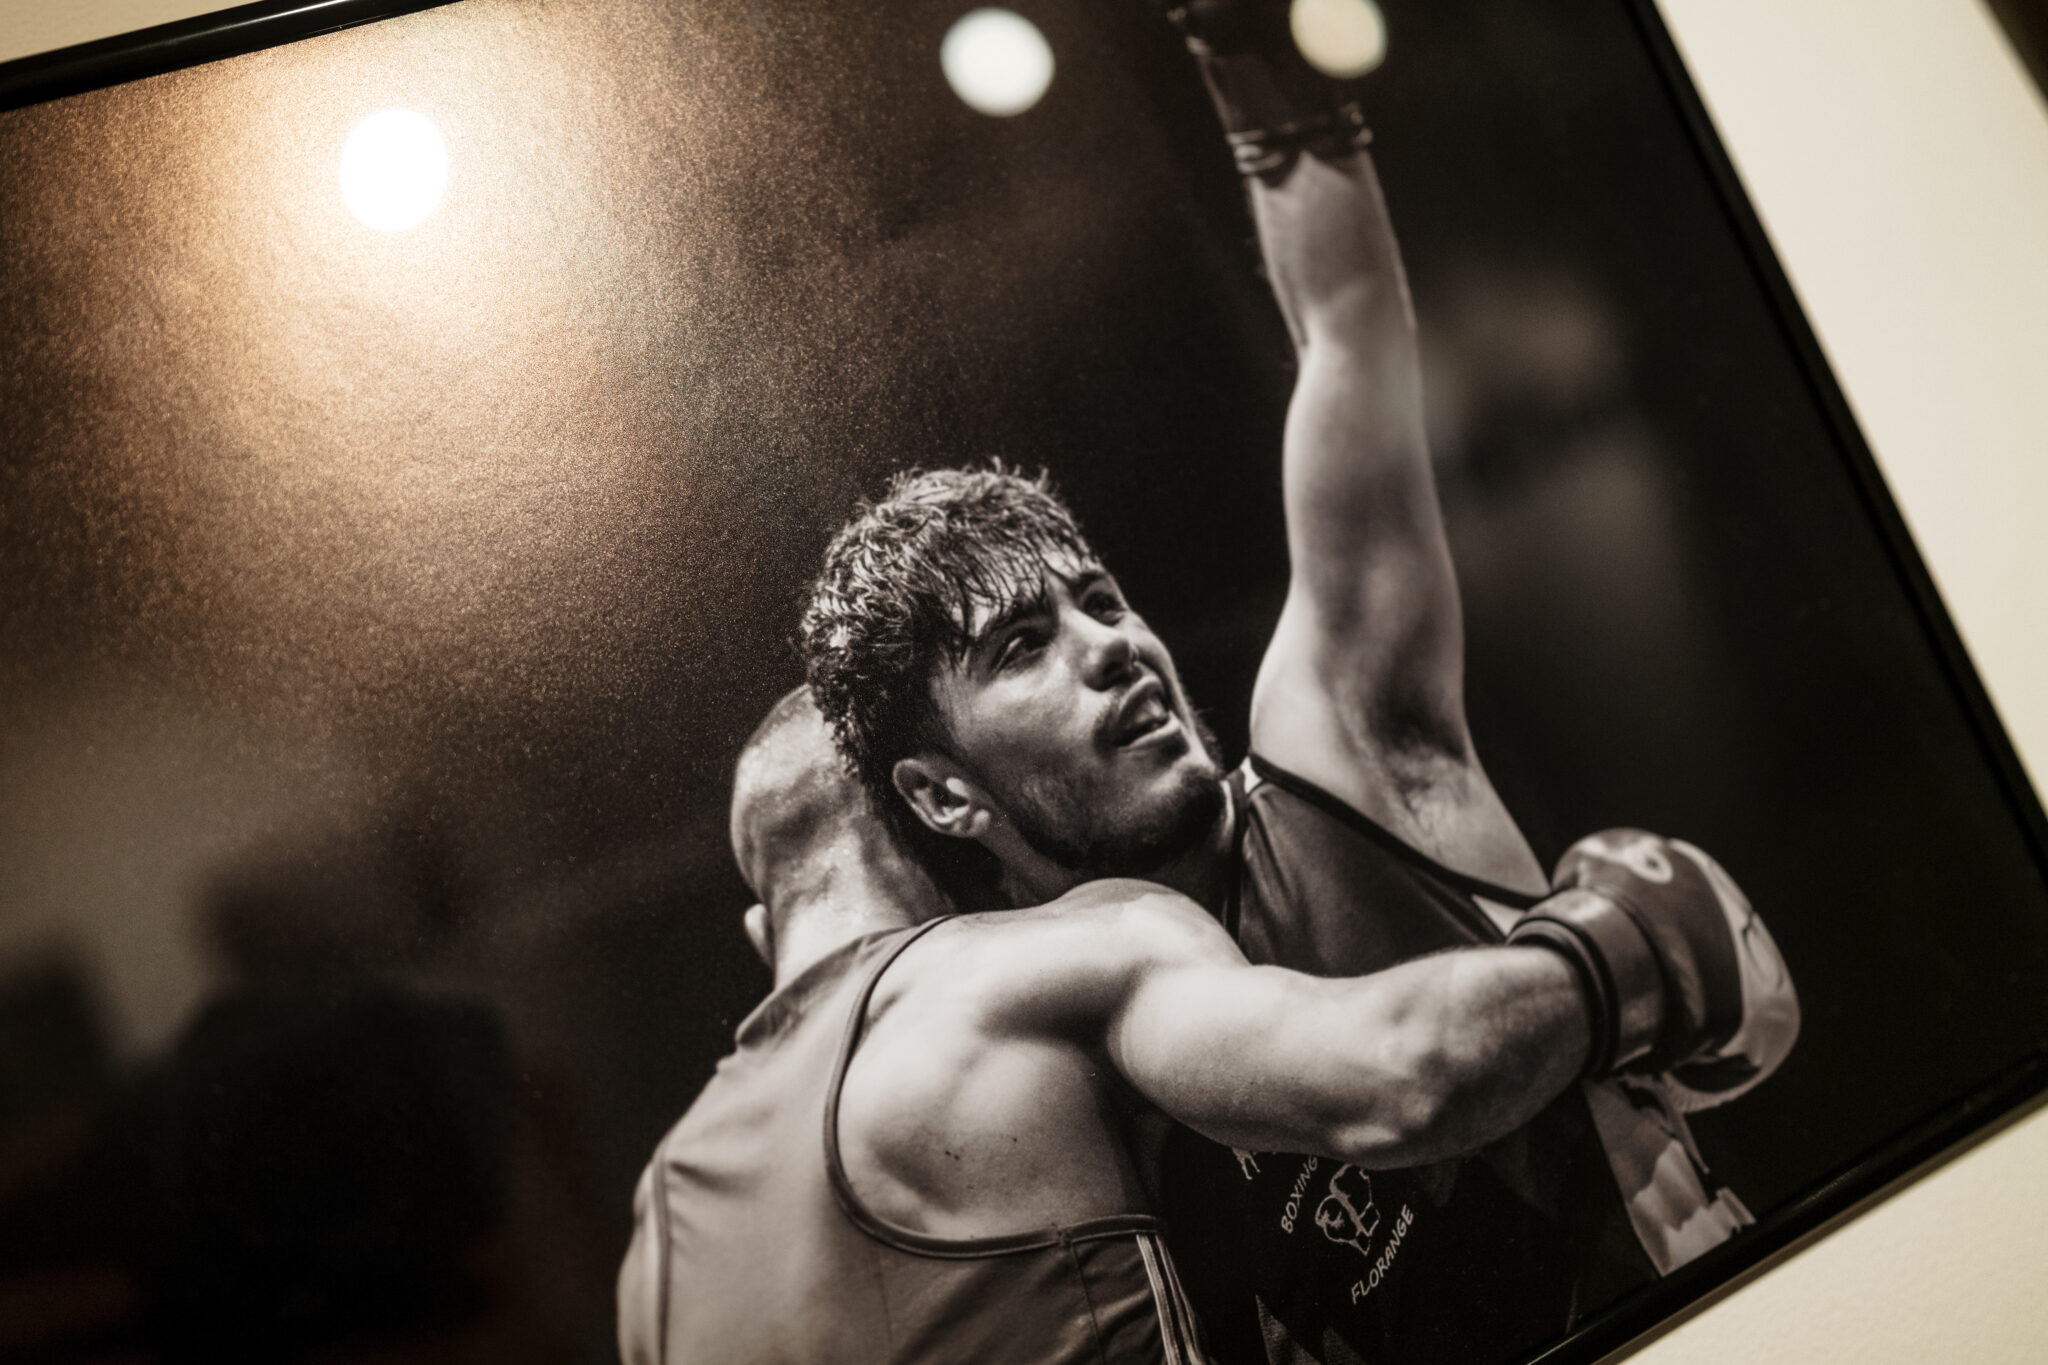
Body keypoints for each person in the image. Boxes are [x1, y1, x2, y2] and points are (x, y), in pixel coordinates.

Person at [799, 3, 1799, 1361]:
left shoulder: (1339, 739)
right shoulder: (1044, 1087)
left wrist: (1249, 59)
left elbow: (1347, 334)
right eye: (1022, 647)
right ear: (942, 793)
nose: (1108, 644)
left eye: (1101, 601)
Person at [616, 689, 1753, 1365]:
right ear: (933, 820)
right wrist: (1626, 952)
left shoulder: (657, 1242)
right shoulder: (1029, 967)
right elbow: (1399, 1078)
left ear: (764, 928)